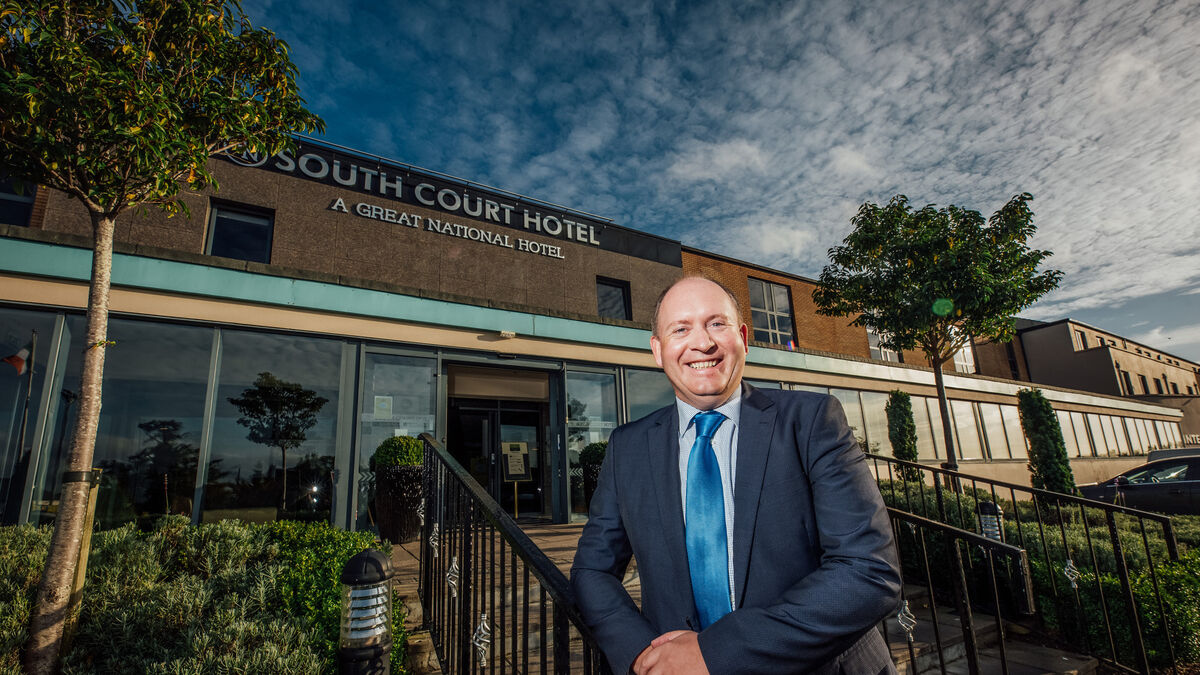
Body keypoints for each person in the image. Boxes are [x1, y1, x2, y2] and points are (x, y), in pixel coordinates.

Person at [570, 275, 901, 674]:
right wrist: (640, 653)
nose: (702, 342)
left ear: (743, 338)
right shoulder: (627, 447)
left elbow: (868, 571)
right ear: (657, 350)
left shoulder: (812, 420)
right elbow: (592, 570)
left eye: (716, 323)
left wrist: (713, 653)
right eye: (680, 329)